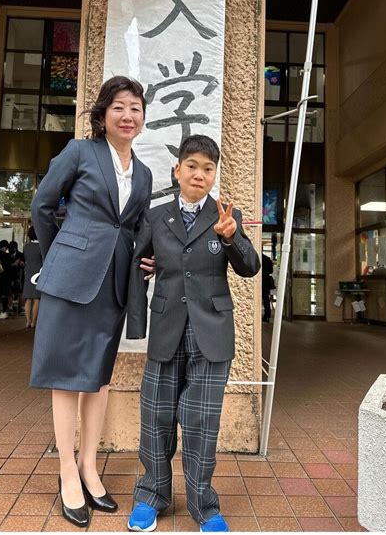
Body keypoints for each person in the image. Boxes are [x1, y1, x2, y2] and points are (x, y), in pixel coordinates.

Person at [30, 75, 153, 528]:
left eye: (136, 108)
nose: (128, 115)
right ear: (102, 115)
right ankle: (66, 471)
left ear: (143, 118)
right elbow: (42, 205)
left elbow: (135, 228)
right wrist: (58, 254)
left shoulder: (143, 173)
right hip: (70, 280)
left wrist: (148, 258)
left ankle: (88, 467)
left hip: (114, 284)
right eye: (119, 106)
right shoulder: (80, 152)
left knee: (97, 379)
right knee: (66, 376)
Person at [126, 135, 260, 533]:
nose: (199, 174)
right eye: (192, 166)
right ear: (177, 170)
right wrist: (137, 325)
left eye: (208, 168)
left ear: (214, 174)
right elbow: (139, 265)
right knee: (156, 417)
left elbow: (251, 267)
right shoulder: (156, 215)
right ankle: (152, 495)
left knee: (202, 422)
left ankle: (204, 505)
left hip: (211, 332)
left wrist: (231, 237)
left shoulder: (223, 216)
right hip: (167, 328)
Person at [22, 226, 42, 328]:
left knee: (28, 299)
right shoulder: (41, 247)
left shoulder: (26, 247)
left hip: (28, 273)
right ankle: (34, 321)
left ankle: (27, 321)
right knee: (37, 298)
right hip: (38, 274)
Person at [0, 240, 12, 319]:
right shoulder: (6, 256)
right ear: (4, 247)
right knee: (4, 294)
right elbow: (8, 267)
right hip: (5, 277)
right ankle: (4, 311)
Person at [9, 240, 25, 314]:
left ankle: (22, 308)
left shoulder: (21, 255)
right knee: (10, 292)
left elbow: (24, 265)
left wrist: (21, 263)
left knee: (20, 292)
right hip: (10, 275)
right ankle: (11, 307)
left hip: (20, 276)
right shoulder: (8, 255)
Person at [262, 251, 274, 322]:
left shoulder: (258, 258)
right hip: (266, 281)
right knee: (266, 298)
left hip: (260, 280)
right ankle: (267, 314)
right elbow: (271, 271)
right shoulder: (267, 259)